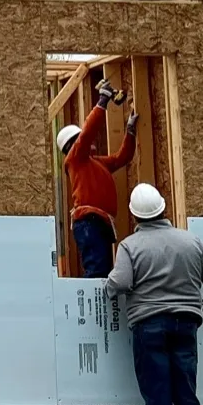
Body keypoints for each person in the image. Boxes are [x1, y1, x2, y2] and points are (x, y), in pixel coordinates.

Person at [106, 182, 203, 405]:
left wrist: (106, 287)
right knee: (186, 393)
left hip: (149, 326)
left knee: (158, 393)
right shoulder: (191, 241)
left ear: (134, 216)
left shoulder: (130, 247)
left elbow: (119, 282)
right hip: (186, 324)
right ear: (164, 208)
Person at [56, 79, 136, 278]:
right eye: (81, 138)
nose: (89, 141)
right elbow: (87, 135)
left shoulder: (95, 163)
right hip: (89, 223)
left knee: (101, 274)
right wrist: (102, 102)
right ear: (72, 145)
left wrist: (130, 131)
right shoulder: (74, 159)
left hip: (97, 224)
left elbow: (122, 158)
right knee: (97, 273)